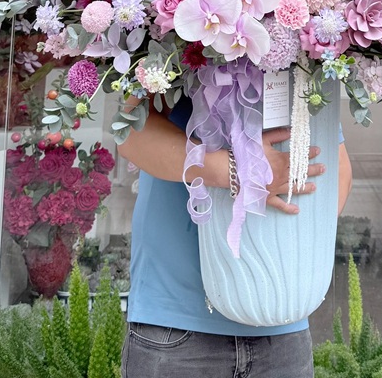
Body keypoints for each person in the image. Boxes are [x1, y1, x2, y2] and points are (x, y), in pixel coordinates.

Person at [117, 93, 352, 378]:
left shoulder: (306, 79)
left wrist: (290, 240)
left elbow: (337, 170)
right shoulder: (164, 65)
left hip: (281, 326)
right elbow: (130, 133)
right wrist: (238, 171)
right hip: (176, 323)